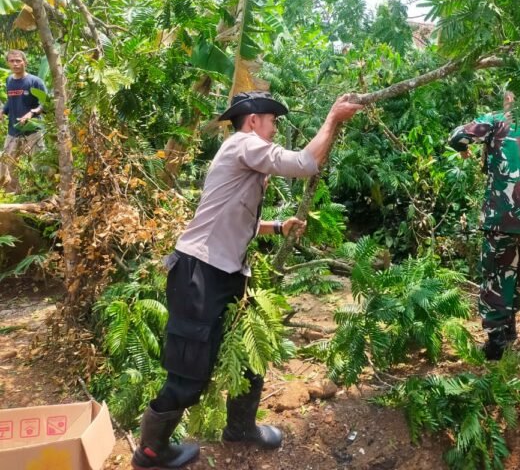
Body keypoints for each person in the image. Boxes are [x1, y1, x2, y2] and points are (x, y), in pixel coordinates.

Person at [132, 91, 362, 470]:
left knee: (250, 353)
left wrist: (277, 226)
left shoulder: (244, 156)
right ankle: (151, 451)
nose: (274, 129)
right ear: (253, 120)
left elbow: (234, 219)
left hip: (225, 274)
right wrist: (333, 118)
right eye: (272, 120)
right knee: (189, 373)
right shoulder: (243, 142)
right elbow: (305, 163)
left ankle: (240, 428)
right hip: (199, 274)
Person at [447, 91, 520, 360]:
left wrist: (463, 150)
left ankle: (496, 343)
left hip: (502, 214)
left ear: (510, 96)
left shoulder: (497, 120)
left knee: (498, 273)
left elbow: (457, 137)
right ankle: (509, 331)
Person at [0, 50, 46, 193]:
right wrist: (2, 111)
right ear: (8, 63)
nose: (15, 64)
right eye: (12, 61)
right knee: (8, 163)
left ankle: (41, 193)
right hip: (13, 131)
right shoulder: (9, 81)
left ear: (25, 62)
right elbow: (10, 101)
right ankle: (14, 194)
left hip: (33, 131)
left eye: (18, 60)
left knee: (39, 164)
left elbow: (45, 103)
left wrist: (31, 113)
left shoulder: (34, 81)